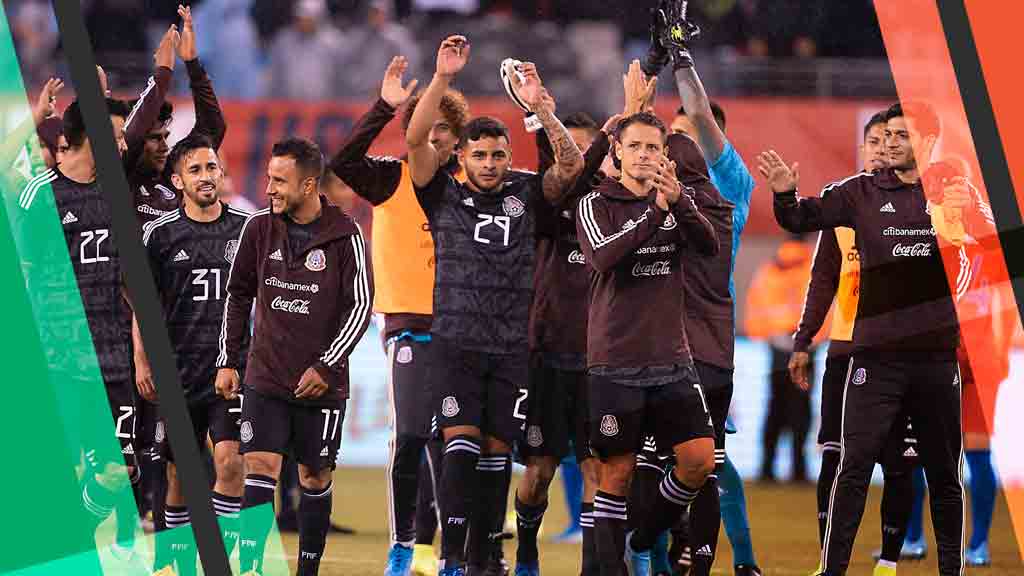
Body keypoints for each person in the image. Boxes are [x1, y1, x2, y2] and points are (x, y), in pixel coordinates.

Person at [760, 101, 995, 576]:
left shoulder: (955, 193)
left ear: (927, 143)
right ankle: (834, 571)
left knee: (945, 475)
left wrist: (971, 219)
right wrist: (786, 195)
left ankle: (952, 569)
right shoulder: (858, 193)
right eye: (885, 136)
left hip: (935, 361)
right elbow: (802, 218)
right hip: (874, 359)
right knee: (853, 467)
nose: (888, 144)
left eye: (900, 136)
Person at [404, 36, 584, 576]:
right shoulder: (443, 194)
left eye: (498, 155)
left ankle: (487, 554)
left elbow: (571, 167)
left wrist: (542, 111)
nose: (488, 163)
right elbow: (414, 138)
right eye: (478, 155)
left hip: (511, 348)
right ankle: (453, 558)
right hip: (456, 344)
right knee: (459, 447)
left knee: (495, 455)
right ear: (460, 156)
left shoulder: (527, 192)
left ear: (510, 157)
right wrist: (440, 80)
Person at [329, 54, 469, 576]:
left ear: (457, 138)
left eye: (443, 131)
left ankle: (452, 554)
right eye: (423, 127)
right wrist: (383, 107)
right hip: (410, 325)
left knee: (454, 445)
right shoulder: (392, 178)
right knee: (411, 433)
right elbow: (343, 161)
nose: (434, 138)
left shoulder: (472, 189)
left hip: (464, 329)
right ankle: (403, 545)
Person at [216, 137, 373, 575]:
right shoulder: (258, 228)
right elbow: (238, 294)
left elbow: (359, 305)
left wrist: (326, 365)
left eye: (280, 181)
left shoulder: (346, 234)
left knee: (314, 477)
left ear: (308, 186)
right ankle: (250, 567)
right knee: (260, 466)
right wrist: (229, 359)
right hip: (265, 374)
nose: (269, 188)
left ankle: (307, 570)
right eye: (268, 178)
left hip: (321, 383)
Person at [642, 9, 763, 572]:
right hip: (652, 335)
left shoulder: (729, 179)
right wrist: (657, 60)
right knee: (663, 463)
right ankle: (666, 560)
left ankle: (735, 560)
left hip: (704, 338)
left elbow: (697, 114)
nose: (675, 144)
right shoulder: (656, 179)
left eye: (686, 135)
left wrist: (681, 59)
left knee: (710, 464)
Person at [576, 110, 718, 576]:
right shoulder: (596, 203)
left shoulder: (676, 200)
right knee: (615, 475)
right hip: (615, 362)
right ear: (616, 151)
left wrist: (679, 204)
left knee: (698, 461)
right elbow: (603, 257)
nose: (643, 155)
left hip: (672, 359)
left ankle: (641, 536)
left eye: (652, 147)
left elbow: (709, 246)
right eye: (634, 146)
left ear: (664, 154)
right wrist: (655, 213)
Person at [789, 113, 919, 576]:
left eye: (892, 138)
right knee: (834, 458)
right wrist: (804, 340)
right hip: (846, 349)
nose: (883, 147)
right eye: (875, 140)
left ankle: (888, 562)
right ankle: (831, 561)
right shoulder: (843, 207)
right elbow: (822, 279)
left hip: (902, 352)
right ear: (863, 149)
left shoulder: (922, 206)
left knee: (901, 464)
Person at [18, 98, 134, 553]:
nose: (123, 142)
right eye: (117, 134)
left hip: (112, 355)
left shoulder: (117, 193)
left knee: (117, 469)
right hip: (58, 356)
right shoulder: (40, 194)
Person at [141, 135, 250, 575]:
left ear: (222, 173)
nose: (206, 177)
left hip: (231, 372)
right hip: (178, 370)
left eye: (212, 168)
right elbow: (142, 305)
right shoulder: (159, 234)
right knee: (178, 476)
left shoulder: (249, 228)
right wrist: (143, 361)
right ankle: (181, 562)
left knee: (231, 462)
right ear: (177, 180)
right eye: (196, 170)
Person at [744, 235, 816, 483]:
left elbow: (754, 309)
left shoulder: (769, 270)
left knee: (775, 408)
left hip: (777, 347)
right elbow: (826, 307)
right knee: (801, 410)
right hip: (805, 348)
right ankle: (799, 469)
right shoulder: (812, 266)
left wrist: (768, 335)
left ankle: (767, 468)